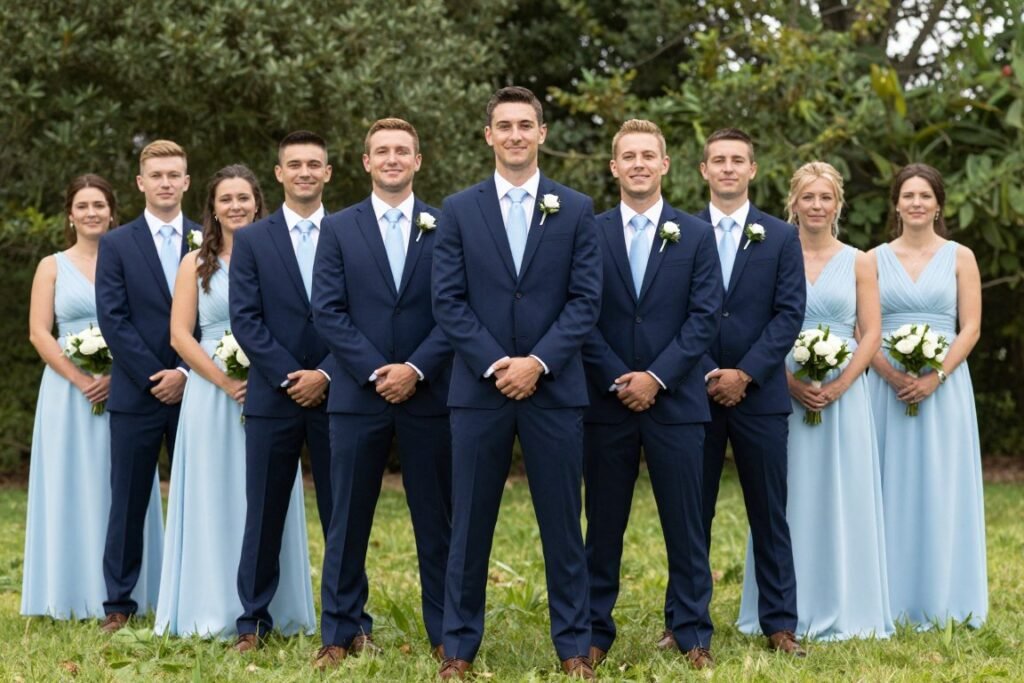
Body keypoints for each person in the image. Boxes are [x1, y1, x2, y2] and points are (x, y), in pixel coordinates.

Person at [431, 86, 602, 680]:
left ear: (542, 133)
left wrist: (538, 363)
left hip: (554, 390)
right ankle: (458, 649)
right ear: (489, 136)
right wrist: (498, 363)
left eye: (525, 125)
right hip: (479, 391)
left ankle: (574, 647)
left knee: (563, 525)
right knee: (469, 525)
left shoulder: (575, 208)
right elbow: (447, 300)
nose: (515, 135)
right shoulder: (458, 209)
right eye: (504, 126)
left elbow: (585, 300)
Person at [311, 118, 452, 669]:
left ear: (418, 161)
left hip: (429, 394)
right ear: (366, 162)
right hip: (356, 395)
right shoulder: (338, 228)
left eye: (402, 151)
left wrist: (415, 368)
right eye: (382, 151)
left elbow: (456, 307)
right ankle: (338, 632)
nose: (392, 159)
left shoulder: (446, 223)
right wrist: (377, 371)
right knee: (346, 520)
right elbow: (328, 310)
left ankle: (446, 634)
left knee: (436, 521)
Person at [581, 120, 721, 669]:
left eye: (648, 155)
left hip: (677, 401)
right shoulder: (587, 232)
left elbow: (704, 317)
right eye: (629, 156)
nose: (638, 164)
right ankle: (593, 632)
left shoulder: (697, 235)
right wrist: (620, 378)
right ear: (614, 167)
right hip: (607, 402)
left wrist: (657, 377)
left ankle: (692, 632)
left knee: (686, 526)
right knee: (603, 527)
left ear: (665, 164)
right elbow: (579, 313)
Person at [155, 165, 315, 638]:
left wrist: (277, 373)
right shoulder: (194, 263)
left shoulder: (280, 256)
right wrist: (225, 383)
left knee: (265, 499)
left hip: (274, 388)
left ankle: (276, 606)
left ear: (258, 202)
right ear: (213, 207)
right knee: (214, 494)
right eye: (225, 199)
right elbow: (180, 336)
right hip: (212, 396)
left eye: (244, 197)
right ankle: (211, 605)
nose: (236, 206)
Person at [737, 161, 893, 640]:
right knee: (785, 496)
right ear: (794, 202)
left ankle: (848, 602)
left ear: (838, 204)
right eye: (808, 197)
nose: (817, 206)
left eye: (826, 197)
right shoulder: (771, 253)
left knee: (845, 495)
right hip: (779, 388)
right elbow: (760, 325)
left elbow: (871, 333)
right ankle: (782, 607)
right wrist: (787, 381)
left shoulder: (860, 261)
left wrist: (841, 385)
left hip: (845, 396)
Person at [678, 128, 807, 656]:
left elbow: (789, 313)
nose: (728, 168)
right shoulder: (680, 232)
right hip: (693, 394)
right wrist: (709, 371)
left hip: (761, 395)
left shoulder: (780, 236)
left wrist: (746, 373)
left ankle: (780, 624)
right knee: (690, 514)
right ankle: (683, 622)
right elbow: (673, 313)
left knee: (769, 512)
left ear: (753, 169)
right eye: (719, 160)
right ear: (703, 170)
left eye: (738, 160)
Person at [22, 175, 162, 620]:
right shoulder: (52, 266)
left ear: (112, 212)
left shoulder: (132, 262)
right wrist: (82, 380)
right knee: (70, 485)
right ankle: (69, 590)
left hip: (128, 386)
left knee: (119, 487)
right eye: (82, 206)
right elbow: (40, 333)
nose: (91, 213)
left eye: (99, 205)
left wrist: (118, 374)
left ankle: (125, 588)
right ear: (70, 215)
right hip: (68, 395)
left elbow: (144, 325)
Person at [229, 131, 337, 650]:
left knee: (344, 515)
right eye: (295, 164)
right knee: (265, 512)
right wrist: (292, 376)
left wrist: (328, 374)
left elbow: (363, 315)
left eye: (314, 164)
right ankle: (252, 621)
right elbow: (246, 320)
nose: (304, 172)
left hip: (340, 395)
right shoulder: (252, 239)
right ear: (279, 173)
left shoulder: (349, 231)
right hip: (274, 397)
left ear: (328, 172)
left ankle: (349, 621)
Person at [868, 163, 987, 628]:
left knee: (942, 482)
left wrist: (936, 375)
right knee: (887, 482)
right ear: (896, 204)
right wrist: (888, 373)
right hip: (886, 387)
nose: (916, 203)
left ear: (938, 205)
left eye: (925, 196)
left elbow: (970, 326)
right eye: (908, 195)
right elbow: (861, 326)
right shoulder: (872, 259)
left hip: (945, 386)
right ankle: (887, 594)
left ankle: (945, 592)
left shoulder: (961, 257)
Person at [96, 141, 200, 632]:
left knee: (196, 495)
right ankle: (118, 603)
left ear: (186, 182)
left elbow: (215, 317)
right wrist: (156, 375)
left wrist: (185, 372)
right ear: (141, 182)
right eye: (156, 175)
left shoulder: (206, 239)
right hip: (136, 394)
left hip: (196, 391)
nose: (165, 182)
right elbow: (113, 319)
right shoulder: (116, 244)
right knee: (128, 500)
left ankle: (194, 595)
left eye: (173, 174)